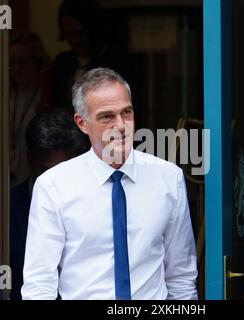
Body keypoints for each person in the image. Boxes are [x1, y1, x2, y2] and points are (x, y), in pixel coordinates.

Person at [22, 68, 198, 300]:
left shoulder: (168, 178)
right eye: (107, 116)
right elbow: (39, 284)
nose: (121, 125)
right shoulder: (53, 186)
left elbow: (181, 276)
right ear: (82, 123)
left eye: (126, 113)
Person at [10, 109, 89, 300]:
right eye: (46, 171)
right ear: (30, 159)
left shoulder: (97, 205)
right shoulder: (7, 208)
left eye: (63, 172)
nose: (54, 182)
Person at [9, 32, 50, 186]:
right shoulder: (6, 94)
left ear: (37, 62)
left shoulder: (47, 95)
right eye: (11, 62)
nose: (16, 68)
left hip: (33, 177)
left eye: (23, 62)